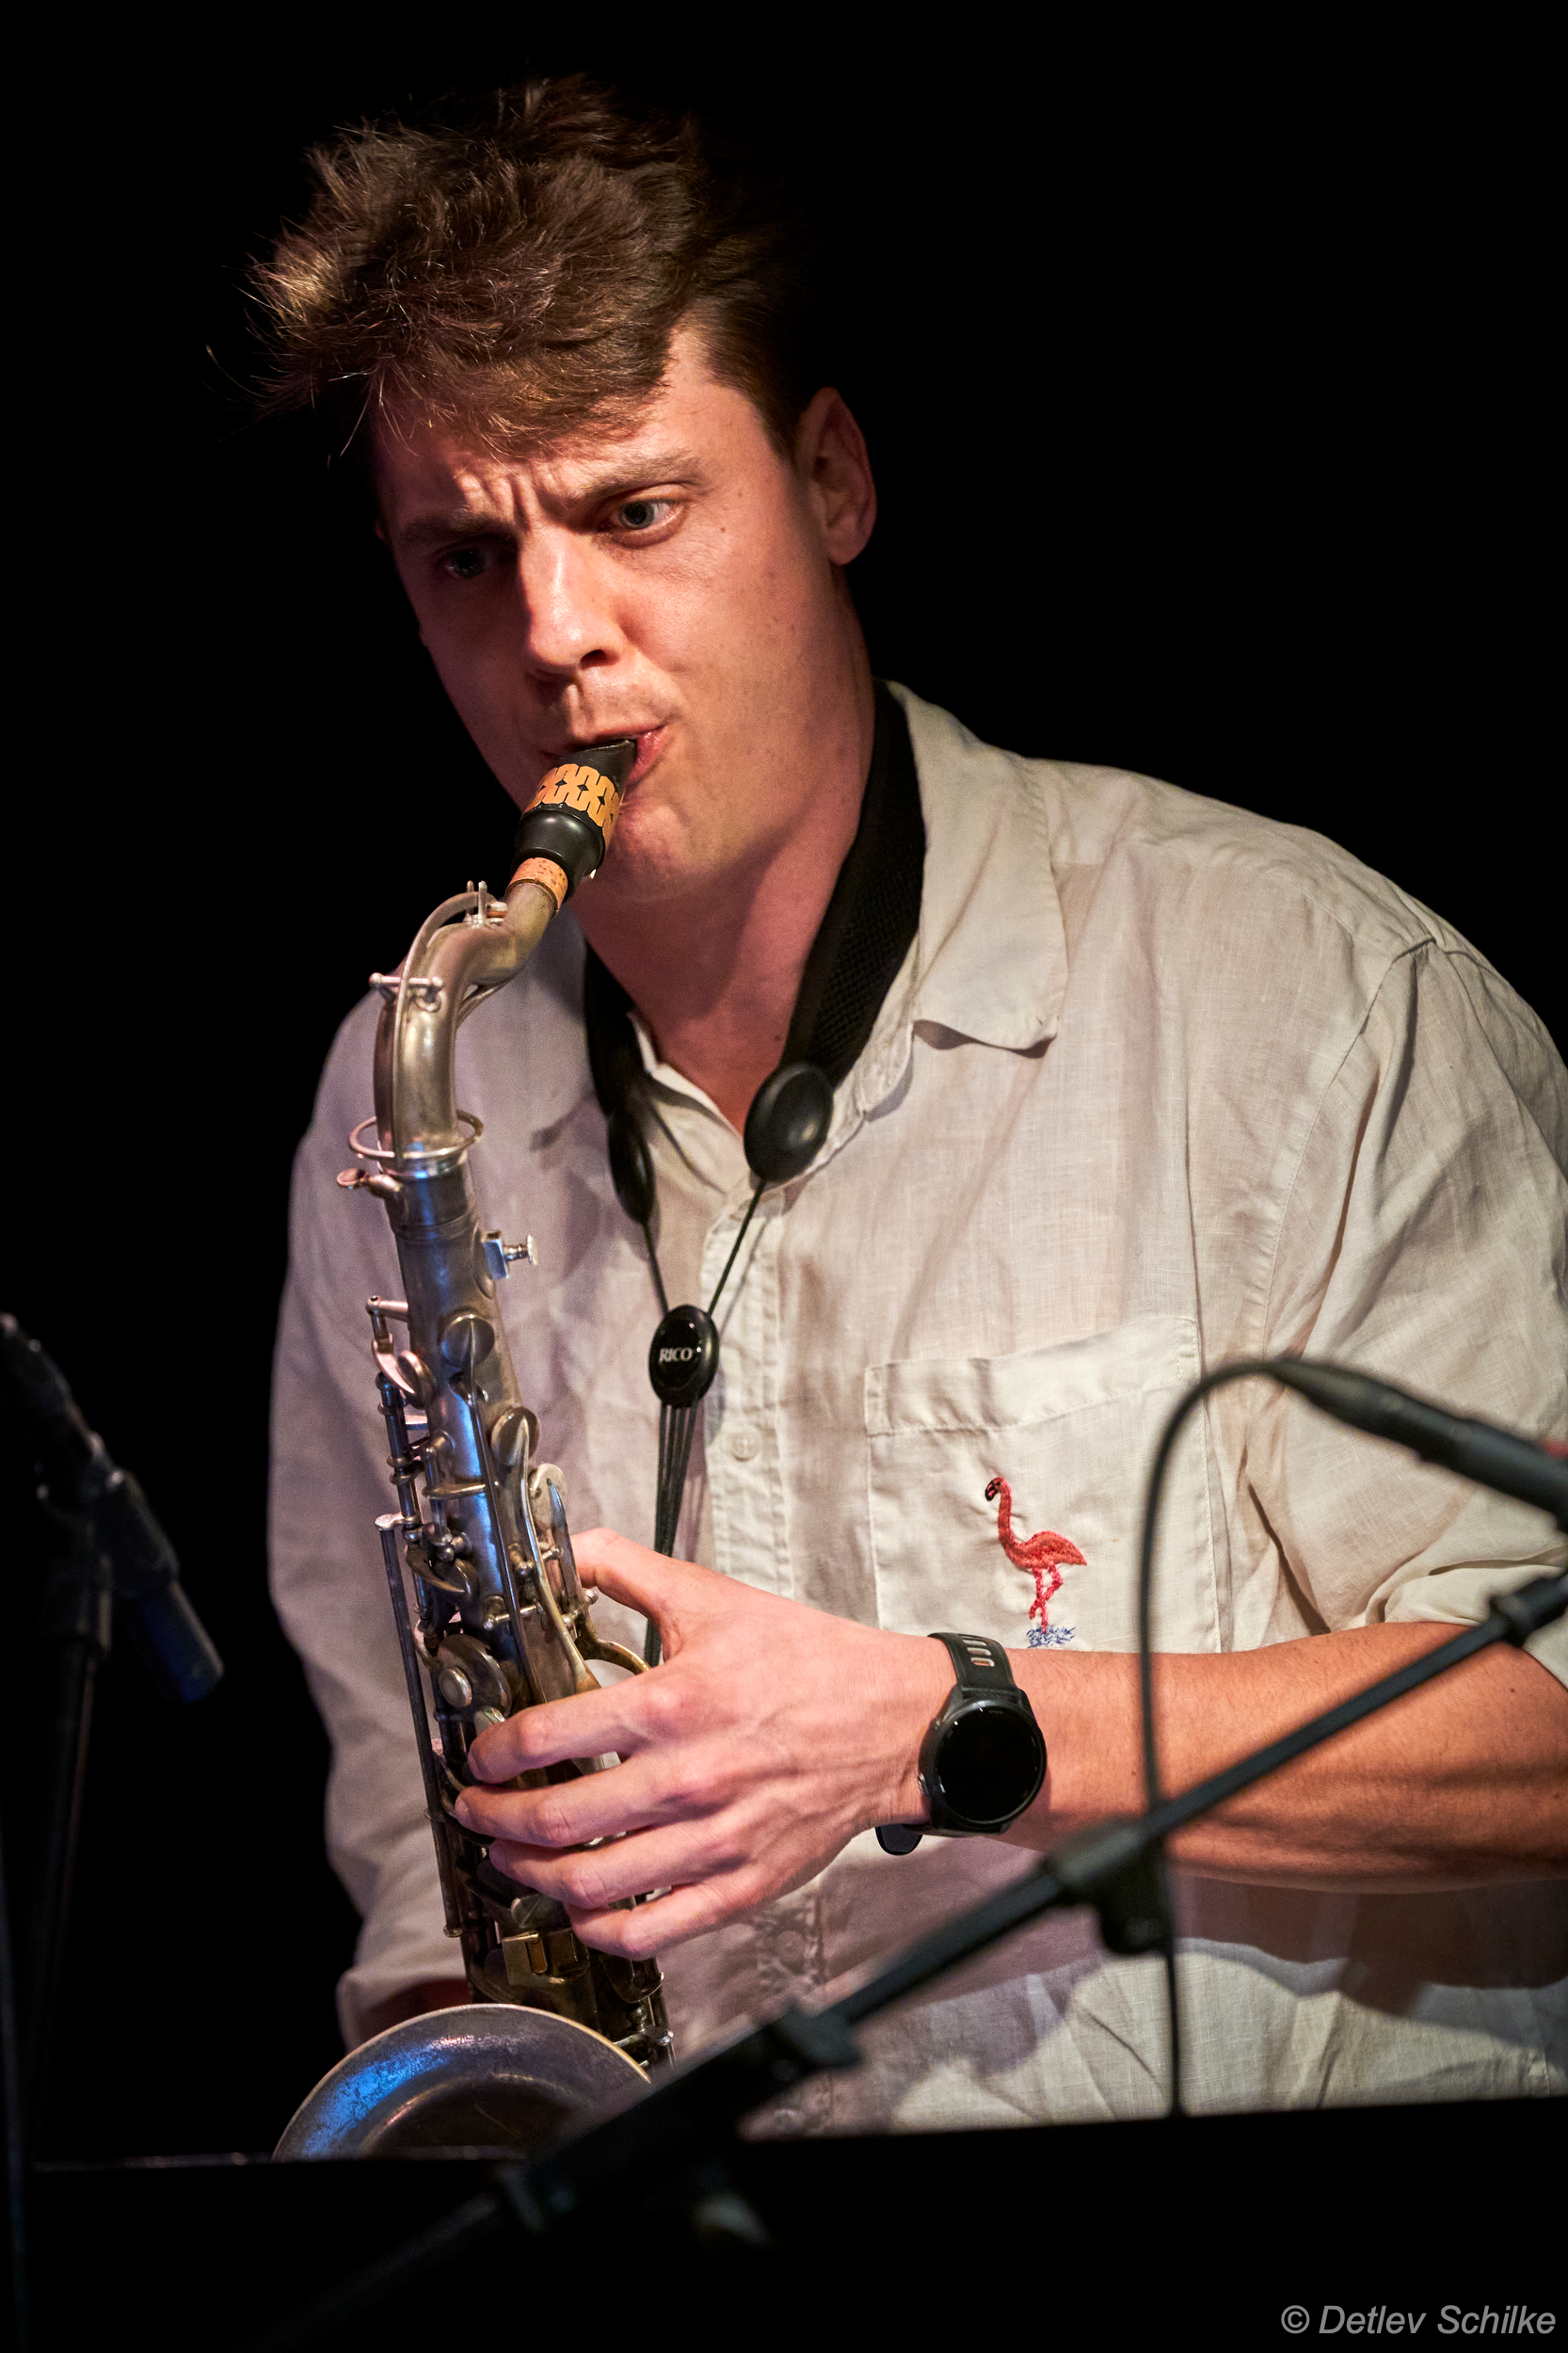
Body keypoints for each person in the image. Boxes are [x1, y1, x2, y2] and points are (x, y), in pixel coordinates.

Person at [266, 76, 1567, 2128]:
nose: (553, 636)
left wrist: (940, 1721)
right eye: (463, 555)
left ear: (833, 479)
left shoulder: (1298, 998)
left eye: (634, 512)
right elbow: (415, 1855)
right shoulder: (404, 1077)